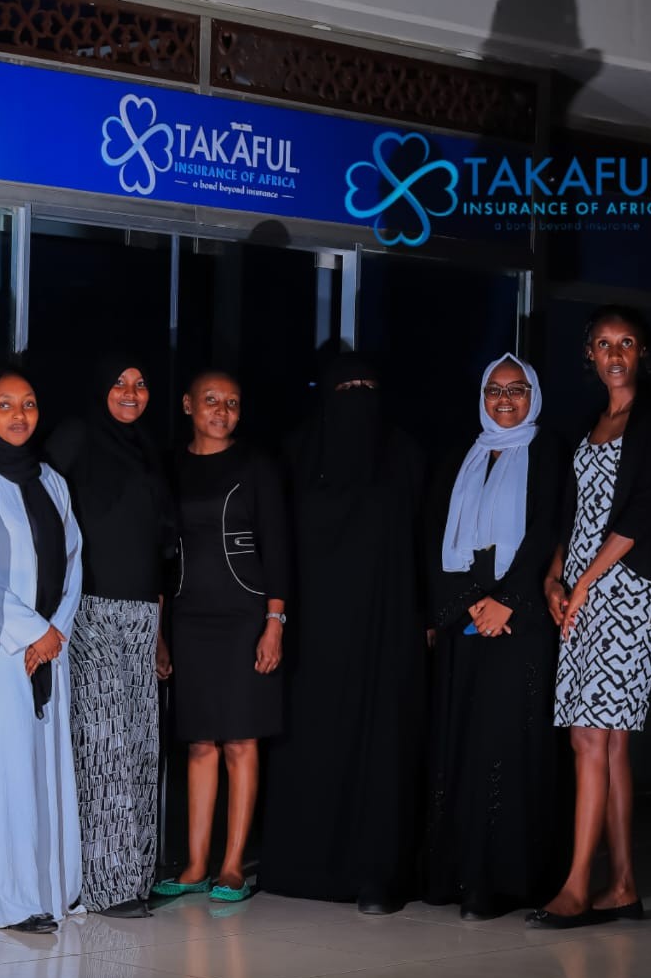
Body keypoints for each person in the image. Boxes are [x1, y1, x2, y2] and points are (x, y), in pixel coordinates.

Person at [528, 305, 651, 928]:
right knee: (606, 740)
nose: (615, 354)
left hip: (629, 591)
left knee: (590, 736)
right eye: (603, 343)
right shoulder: (590, 424)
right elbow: (574, 514)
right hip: (583, 591)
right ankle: (622, 886)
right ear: (589, 354)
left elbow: (645, 512)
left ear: (643, 353)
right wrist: (554, 577)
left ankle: (575, 887)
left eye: (627, 343)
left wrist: (585, 582)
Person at [259, 351, 424, 914]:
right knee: (312, 743)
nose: (358, 399)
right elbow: (275, 542)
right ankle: (300, 865)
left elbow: (424, 542)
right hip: (312, 634)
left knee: (381, 746)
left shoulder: (404, 454)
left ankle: (377, 872)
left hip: (384, 629)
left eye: (367, 387)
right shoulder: (296, 454)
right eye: (345, 387)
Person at [423, 354, 567, 919]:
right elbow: (434, 533)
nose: (505, 400)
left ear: (533, 395)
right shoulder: (461, 454)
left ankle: (504, 879)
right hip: (466, 619)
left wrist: (509, 601)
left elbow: (552, 529)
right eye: (494, 390)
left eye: (516, 389)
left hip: (520, 621)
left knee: (508, 743)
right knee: (462, 741)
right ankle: (457, 874)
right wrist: (467, 604)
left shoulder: (550, 452)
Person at [0, 368, 83, 932]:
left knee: (42, 768)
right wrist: (30, 631)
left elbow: (74, 558)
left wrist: (55, 632)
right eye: (4, 404)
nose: (19, 415)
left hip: (48, 651)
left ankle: (46, 889)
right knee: (2, 772)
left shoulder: (50, 480)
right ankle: (2, 898)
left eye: (28, 403)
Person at [46, 357, 175, 919]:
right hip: (90, 608)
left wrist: (160, 632)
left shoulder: (146, 447)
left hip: (142, 614)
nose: (130, 392)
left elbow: (158, 547)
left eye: (140, 384)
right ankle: (105, 886)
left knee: (141, 746)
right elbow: (46, 515)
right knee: (105, 747)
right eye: (120, 382)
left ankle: (134, 875)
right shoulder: (76, 437)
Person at [153, 371, 289, 903]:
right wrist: (161, 632)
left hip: (245, 616)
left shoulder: (256, 465)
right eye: (211, 400)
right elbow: (161, 555)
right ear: (188, 405)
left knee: (240, 739)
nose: (222, 410)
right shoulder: (170, 466)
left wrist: (274, 623)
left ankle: (232, 866)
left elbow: (277, 547)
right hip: (189, 617)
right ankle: (194, 865)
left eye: (232, 402)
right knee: (199, 741)